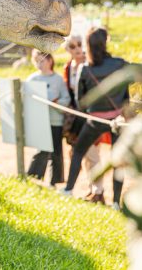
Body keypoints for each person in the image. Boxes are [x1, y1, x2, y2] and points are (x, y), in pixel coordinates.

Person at [61, 28, 129, 210]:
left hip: (94, 120)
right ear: (105, 42)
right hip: (117, 120)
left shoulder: (85, 69)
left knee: (78, 152)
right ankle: (115, 202)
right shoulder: (120, 64)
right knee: (118, 161)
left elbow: (80, 101)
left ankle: (68, 190)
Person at [62, 36, 106, 203]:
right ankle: (92, 188)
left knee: (92, 153)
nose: (77, 48)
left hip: (92, 114)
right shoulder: (69, 67)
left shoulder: (91, 65)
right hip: (76, 117)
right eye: (73, 46)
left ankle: (99, 191)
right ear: (68, 50)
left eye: (80, 44)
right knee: (82, 153)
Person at [26, 50, 71, 186]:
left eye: (42, 61)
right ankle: (34, 177)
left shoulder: (58, 80)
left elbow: (66, 98)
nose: (39, 64)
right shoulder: (32, 79)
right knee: (42, 150)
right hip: (40, 121)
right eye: (37, 61)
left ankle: (55, 181)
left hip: (55, 120)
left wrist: (55, 103)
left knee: (56, 152)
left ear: (50, 61)